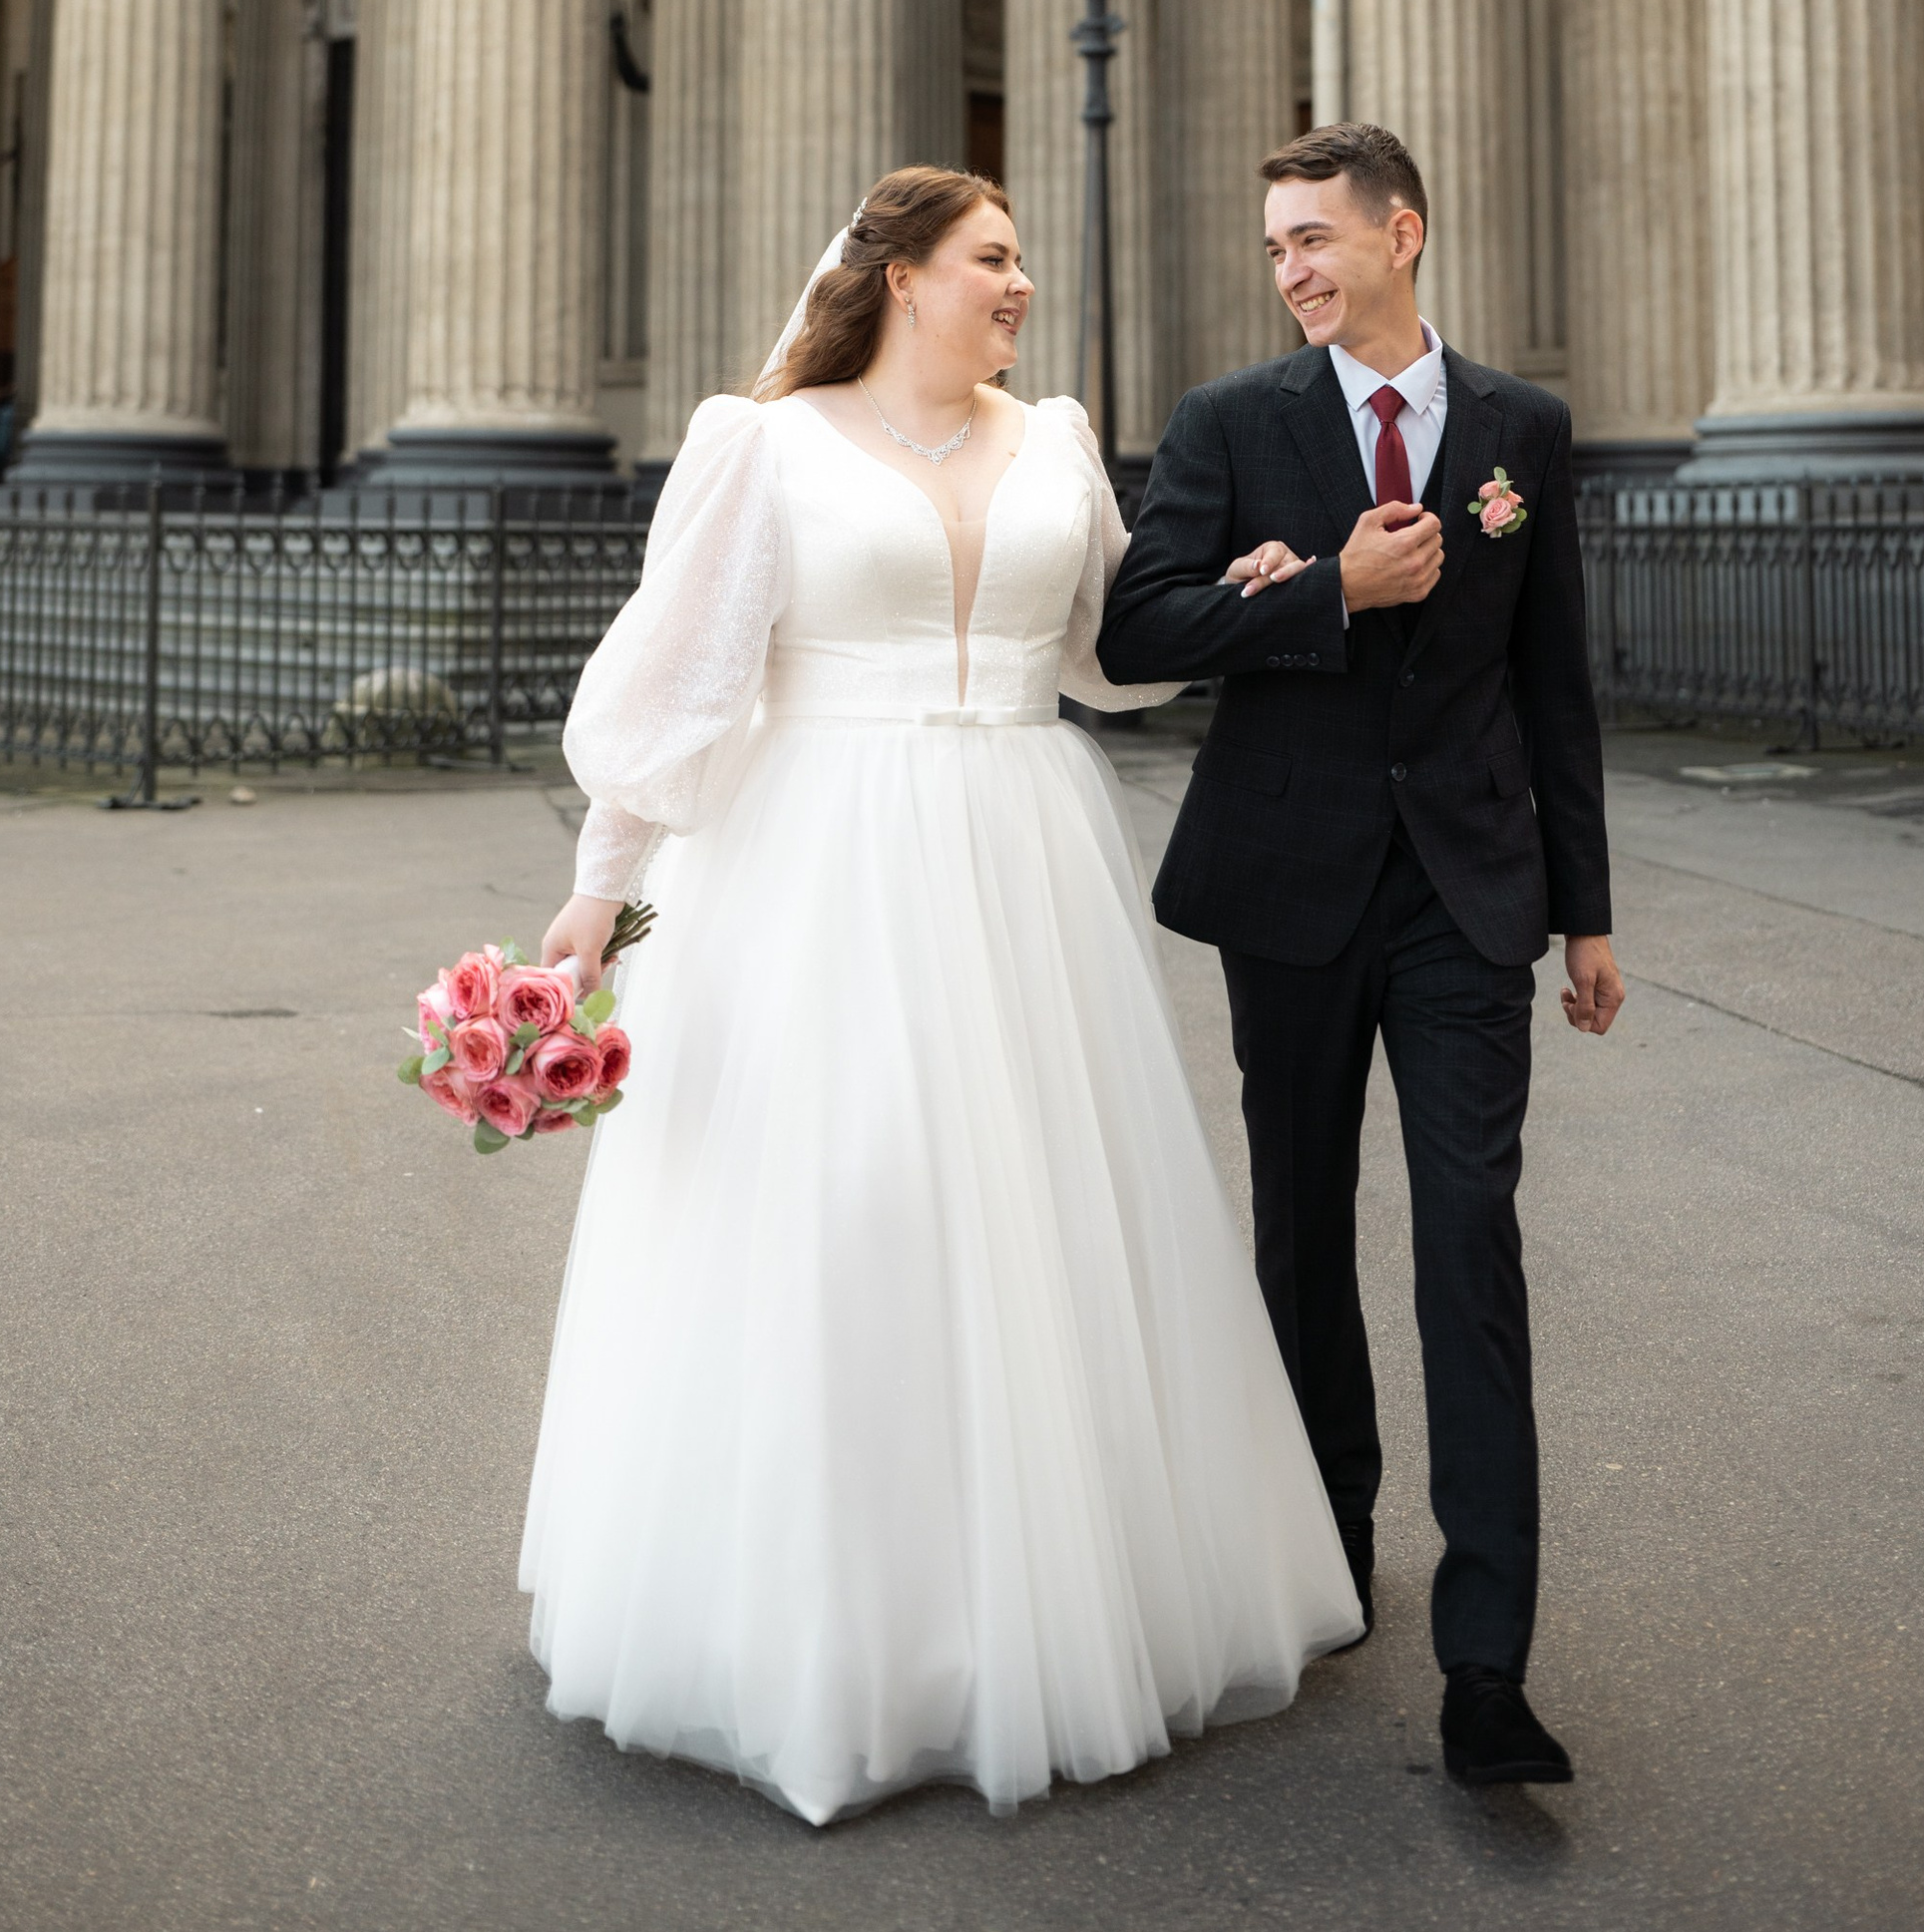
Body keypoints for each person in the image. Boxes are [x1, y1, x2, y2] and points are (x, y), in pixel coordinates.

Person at [523, 166, 1361, 1824]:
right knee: (854, 1227)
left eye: (1022, 258)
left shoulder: (1052, 440)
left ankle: (1041, 1615)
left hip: (1025, 861)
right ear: (902, 276)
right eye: (992, 258)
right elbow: (679, 684)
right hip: (819, 871)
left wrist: (1254, 598)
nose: (1020, 283)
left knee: (1040, 1226)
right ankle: (846, 1639)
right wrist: (594, 899)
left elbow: (1107, 657)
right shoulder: (760, 446)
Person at [1098, 122, 1623, 1795]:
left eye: (1317, 237)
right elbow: (1137, 631)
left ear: (1406, 232)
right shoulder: (1229, 425)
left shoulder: (1521, 430)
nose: (1295, 269)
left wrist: (1586, 911)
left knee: (1471, 1236)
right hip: (1293, 885)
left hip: (1470, 894)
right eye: (1276, 249)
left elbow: (1557, 684)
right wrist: (1324, 587)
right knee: (1301, 1225)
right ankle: (1328, 1546)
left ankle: (1489, 1665)